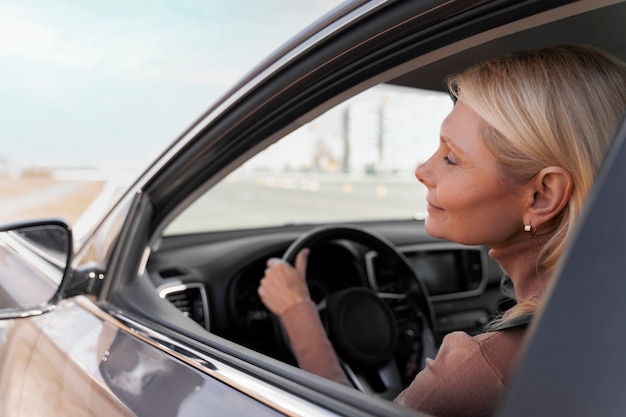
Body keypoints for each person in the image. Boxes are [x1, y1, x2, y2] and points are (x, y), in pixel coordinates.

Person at [257, 44, 626, 417]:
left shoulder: (481, 370)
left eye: (451, 157)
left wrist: (297, 313)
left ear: (543, 195)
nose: (422, 170)